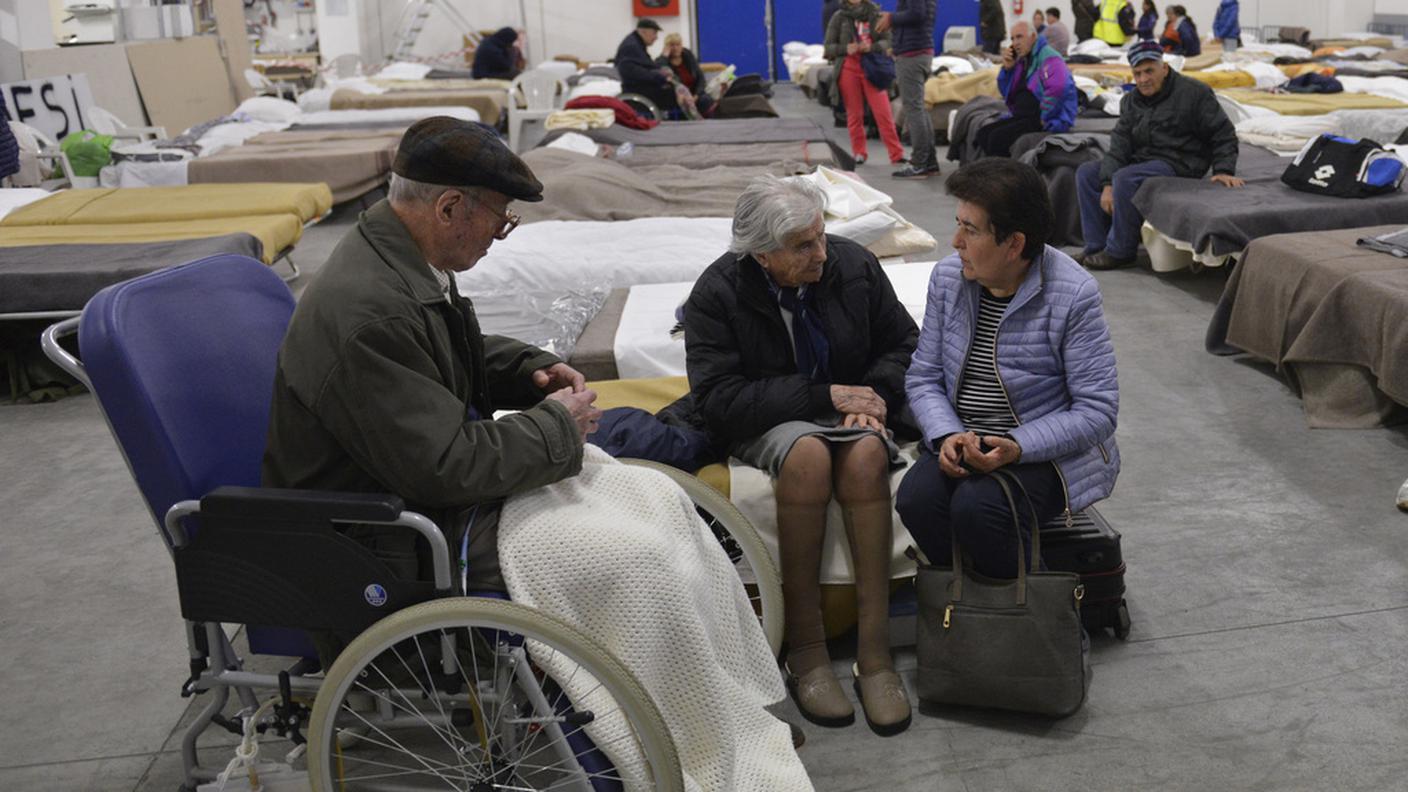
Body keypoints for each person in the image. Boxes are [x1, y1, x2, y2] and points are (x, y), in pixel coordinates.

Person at [263, 117, 814, 787]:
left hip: (425, 495)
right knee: (634, 559)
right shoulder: (369, 310)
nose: (500, 236)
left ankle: (717, 711)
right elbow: (446, 468)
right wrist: (558, 425)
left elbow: (445, 356)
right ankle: (681, 740)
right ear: (448, 207)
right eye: (500, 221)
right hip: (394, 534)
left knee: (661, 501)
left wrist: (529, 369)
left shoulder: (403, 262)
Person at [684, 176, 919, 737]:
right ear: (762, 255)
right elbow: (718, 400)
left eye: (820, 236)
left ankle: (875, 653)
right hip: (766, 415)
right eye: (802, 246)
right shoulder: (717, 293)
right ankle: (807, 651)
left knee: (865, 458)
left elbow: (905, 343)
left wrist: (875, 398)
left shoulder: (852, 264)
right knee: (809, 458)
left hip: (850, 402)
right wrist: (826, 397)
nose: (820, 253)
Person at [897, 158, 1120, 581]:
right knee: (917, 500)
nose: (955, 241)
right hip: (966, 437)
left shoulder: (1073, 295)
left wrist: (1016, 446)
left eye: (971, 230)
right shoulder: (949, 279)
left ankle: (1039, 623)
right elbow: (924, 377)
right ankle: (973, 607)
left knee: (980, 508)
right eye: (957, 223)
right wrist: (947, 435)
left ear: (1015, 244)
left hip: (1043, 450)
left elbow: (1097, 410)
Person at [1075, 41, 1241, 270]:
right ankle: (1095, 247)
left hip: (1182, 162)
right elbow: (1120, 145)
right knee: (1087, 173)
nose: (1143, 79)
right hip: (1146, 160)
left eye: (1149, 71)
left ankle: (1120, 250)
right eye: (1137, 73)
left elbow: (1222, 132)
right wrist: (1106, 183)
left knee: (1125, 178)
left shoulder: (1194, 93)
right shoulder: (1131, 101)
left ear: (1164, 68)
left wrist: (1224, 169)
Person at [975, 21, 1077, 157]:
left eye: (1019, 37)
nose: (1015, 43)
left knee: (996, 138)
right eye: (1012, 39)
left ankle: (1003, 175)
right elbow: (1006, 91)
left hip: (1042, 119)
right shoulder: (1022, 61)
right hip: (1022, 116)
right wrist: (1007, 69)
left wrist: (1044, 118)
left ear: (1033, 37)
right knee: (983, 133)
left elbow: (1058, 89)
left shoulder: (1049, 57)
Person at [824, 0, 905, 166]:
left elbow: (889, 41)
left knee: (883, 112)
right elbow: (828, 48)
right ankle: (859, 152)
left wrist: (872, 46)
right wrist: (846, 49)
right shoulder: (838, 17)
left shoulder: (876, 14)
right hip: (848, 68)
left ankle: (896, 154)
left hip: (873, 68)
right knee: (854, 114)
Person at [889, 0, 941, 179]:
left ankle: (919, 163)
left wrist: (891, 18)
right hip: (919, 52)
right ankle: (929, 162)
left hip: (912, 54)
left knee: (914, 110)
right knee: (919, 109)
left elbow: (916, 14)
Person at [615, 18, 675, 112]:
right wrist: (659, 76)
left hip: (638, 87)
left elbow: (647, 67)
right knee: (673, 92)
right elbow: (632, 72)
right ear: (643, 31)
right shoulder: (631, 46)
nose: (656, 37)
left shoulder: (635, 43)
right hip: (636, 90)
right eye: (654, 33)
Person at [656, 32, 715, 118]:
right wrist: (664, 56)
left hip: (694, 95)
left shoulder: (688, 56)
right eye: (672, 45)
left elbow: (700, 78)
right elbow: (660, 70)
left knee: (706, 100)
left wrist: (696, 95)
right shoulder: (661, 61)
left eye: (678, 45)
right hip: (678, 97)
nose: (675, 48)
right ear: (667, 48)